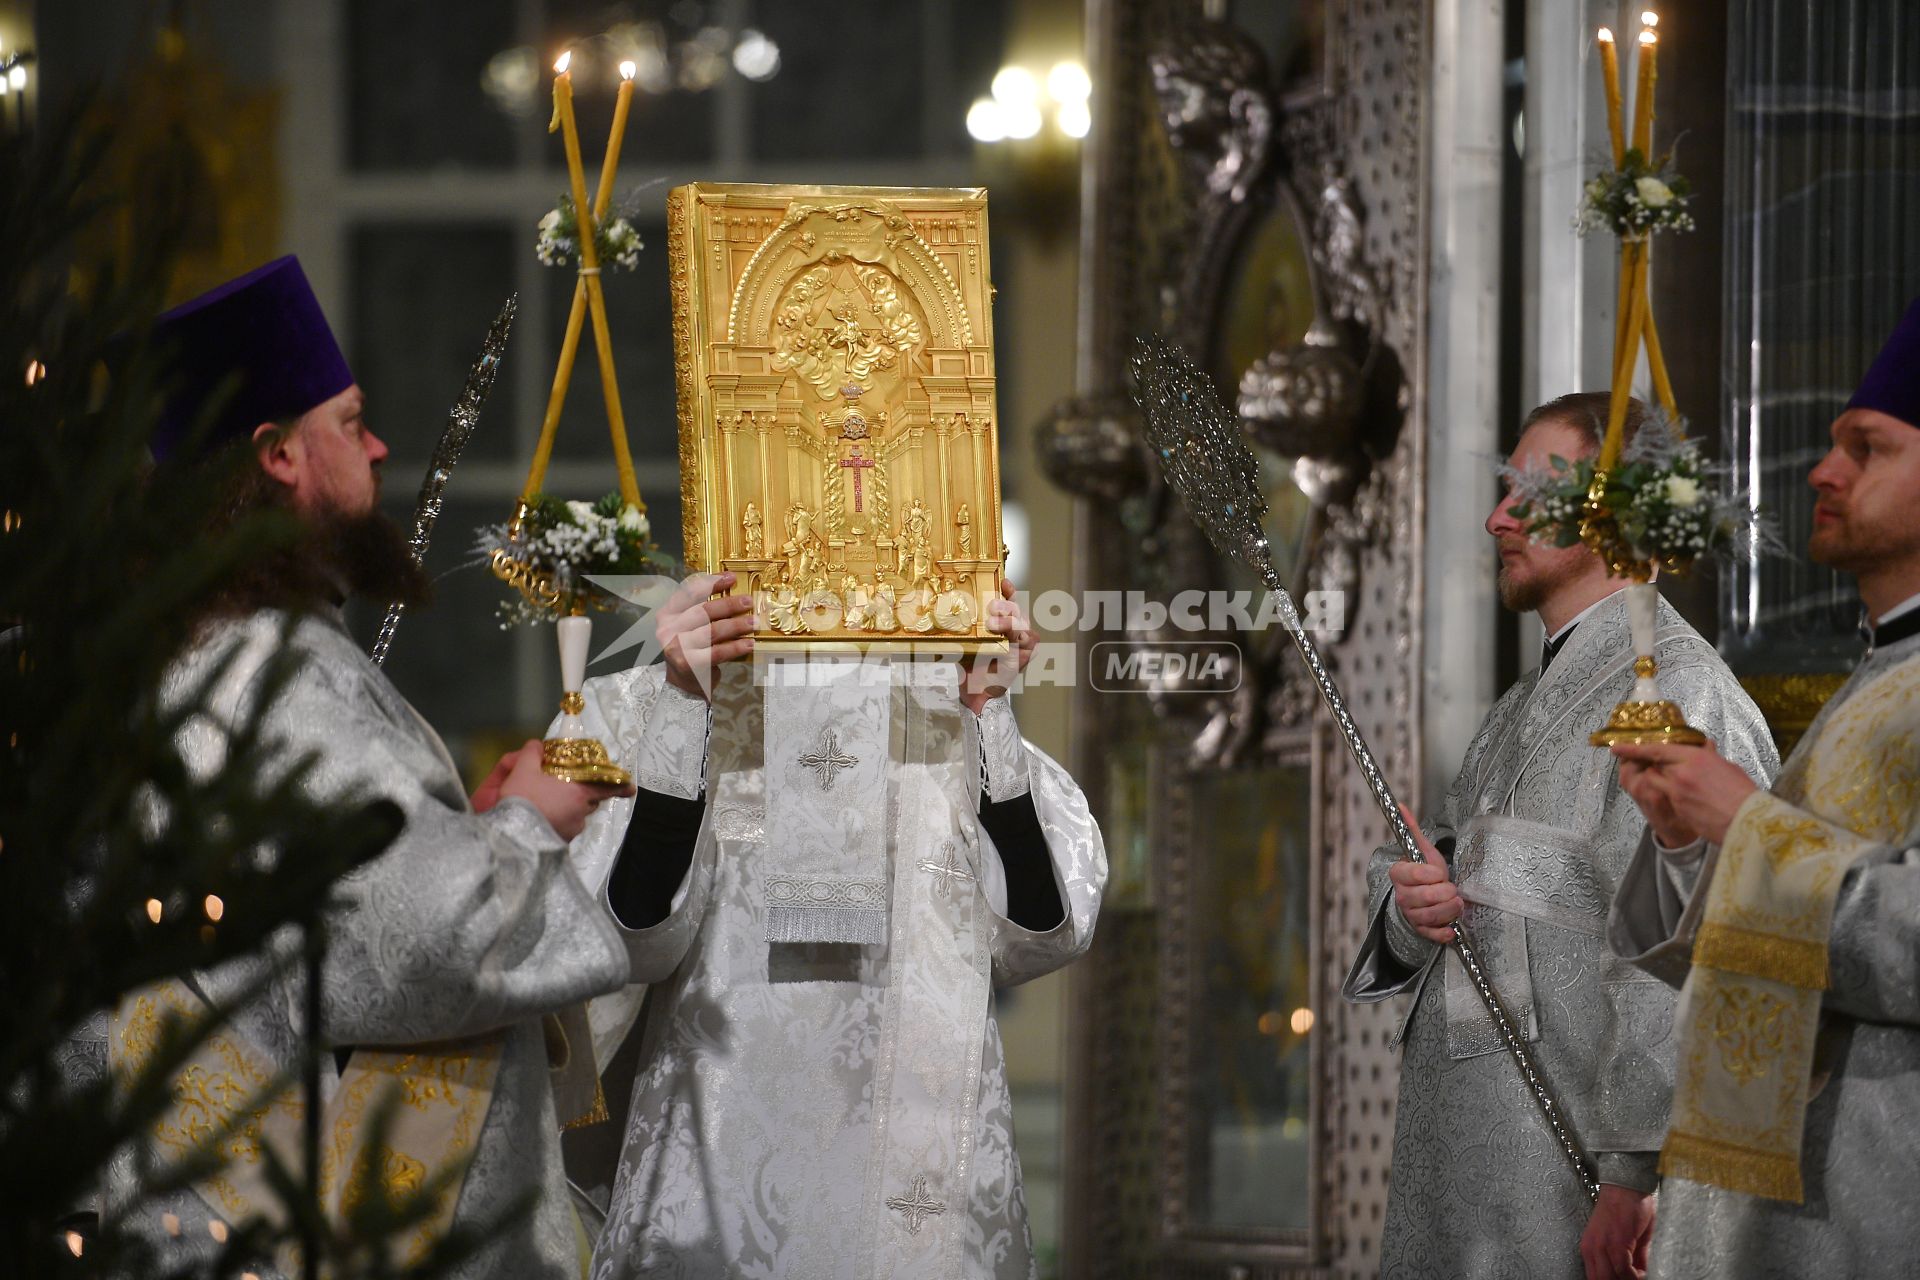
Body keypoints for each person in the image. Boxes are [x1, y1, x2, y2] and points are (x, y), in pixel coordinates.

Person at [77, 257, 633, 1276]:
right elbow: (422, 940)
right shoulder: (278, 669)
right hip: (341, 1216)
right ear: (279, 454)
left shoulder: (176, 654)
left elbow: (322, 905)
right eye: (349, 421)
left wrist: (462, 829)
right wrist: (530, 822)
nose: (377, 445)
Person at [1342, 392, 1777, 1279]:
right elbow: (1466, 897)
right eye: (1505, 489)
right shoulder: (1514, 710)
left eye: (1533, 493)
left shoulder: (1674, 694)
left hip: (1580, 1190)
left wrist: (1637, 1174)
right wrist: (1409, 912)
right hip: (1473, 1173)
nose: (1500, 516)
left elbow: (1687, 952)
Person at [565, 573, 1106, 1277]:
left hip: (918, 1179)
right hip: (715, 1161)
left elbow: (1041, 935)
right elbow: (632, 939)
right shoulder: (658, 708)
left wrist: (986, 709)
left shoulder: (958, 718)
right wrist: (686, 698)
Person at [1608, 299, 1920, 1278]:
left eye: (1869, 448)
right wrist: (1687, 838)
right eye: (1833, 445)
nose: (1825, 471)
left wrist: (1746, 820)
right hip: (1770, 1203)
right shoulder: (1879, 677)